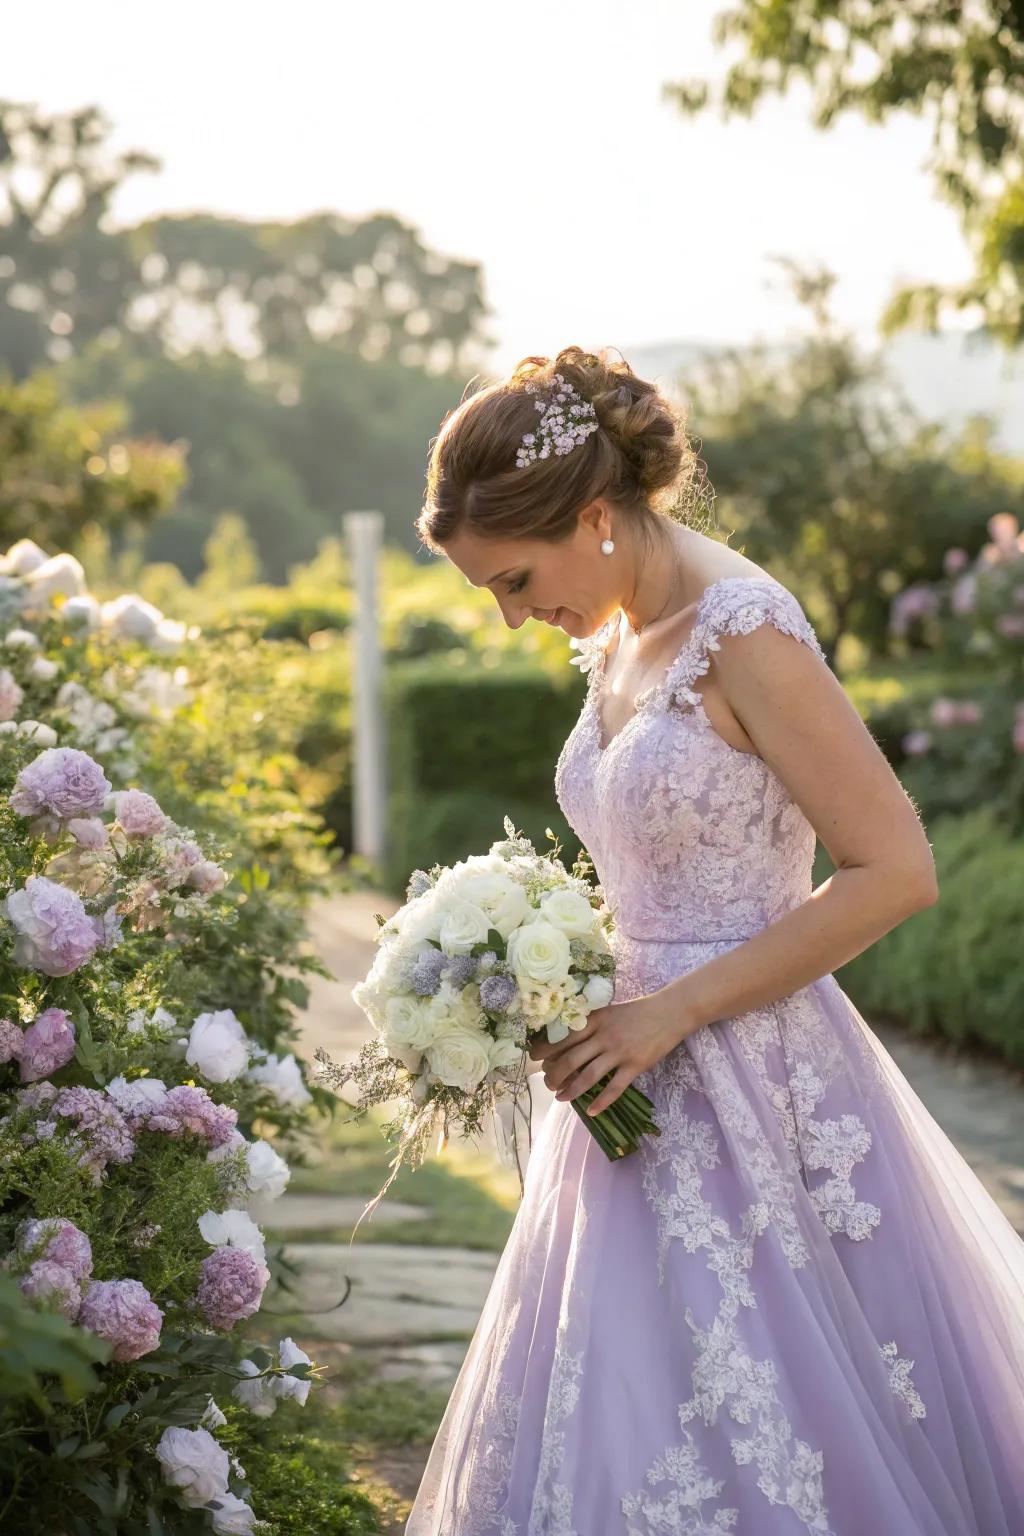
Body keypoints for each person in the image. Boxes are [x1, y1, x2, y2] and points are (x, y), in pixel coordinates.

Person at [402, 345, 1024, 1534]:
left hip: (754, 1080)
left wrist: (674, 1010)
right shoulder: (622, 629)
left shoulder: (744, 631)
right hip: (628, 1083)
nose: (513, 613)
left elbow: (894, 871)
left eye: (515, 578)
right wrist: (540, 972)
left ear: (592, 515)